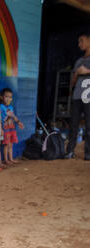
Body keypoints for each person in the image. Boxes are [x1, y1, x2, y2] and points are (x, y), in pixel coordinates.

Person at [64, 30, 90, 161]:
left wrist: (87, 71)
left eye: (82, 41)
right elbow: (72, 83)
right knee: (73, 124)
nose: (79, 44)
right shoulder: (79, 61)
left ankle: (88, 153)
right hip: (77, 96)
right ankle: (70, 151)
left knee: (89, 125)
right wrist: (76, 74)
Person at [0, 88, 24, 165]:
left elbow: (12, 116)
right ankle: (6, 160)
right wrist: (18, 121)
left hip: (11, 128)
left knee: (11, 144)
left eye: (10, 97)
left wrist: (18, 122)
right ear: (2, 97)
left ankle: (11, 159)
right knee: (6, 145)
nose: (8, 99)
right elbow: (11, 115)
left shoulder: (10, 107)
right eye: (6, 96)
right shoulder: (1, 107)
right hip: (5, 128)